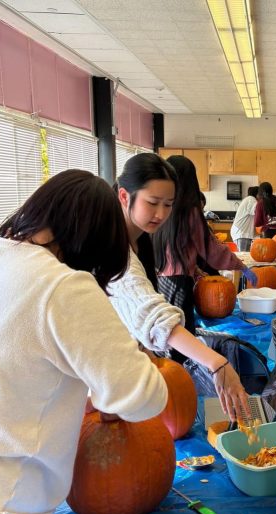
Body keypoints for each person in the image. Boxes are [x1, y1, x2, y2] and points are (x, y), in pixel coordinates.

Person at [0, 170, 169, 514]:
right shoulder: (65, 286)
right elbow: (144, 395)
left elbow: (20, 354)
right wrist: (117, 366)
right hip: (1, 496)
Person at [109, 153, 249, 421]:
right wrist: (216, 362)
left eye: (168, 204)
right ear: (125, 196)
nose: (161, 214)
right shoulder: (115, 248)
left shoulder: (142, 239)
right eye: (152, 203)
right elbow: (150, 313)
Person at [153, 155, 256, 337]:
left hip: (159, 281)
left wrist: (194, 269)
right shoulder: (190, 211)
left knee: (166, 332)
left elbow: (174, 250)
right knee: (182, 334)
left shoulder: (162, 206)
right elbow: (211, 249)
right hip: (179, 285)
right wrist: (241, 266)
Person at [231, 185, 259, 251]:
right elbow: (257, 211)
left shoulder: (249, 199)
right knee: (243, 256)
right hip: (242, 233)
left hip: (242, 232)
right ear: (257, 194)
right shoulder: (251, 199)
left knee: (244, 256)